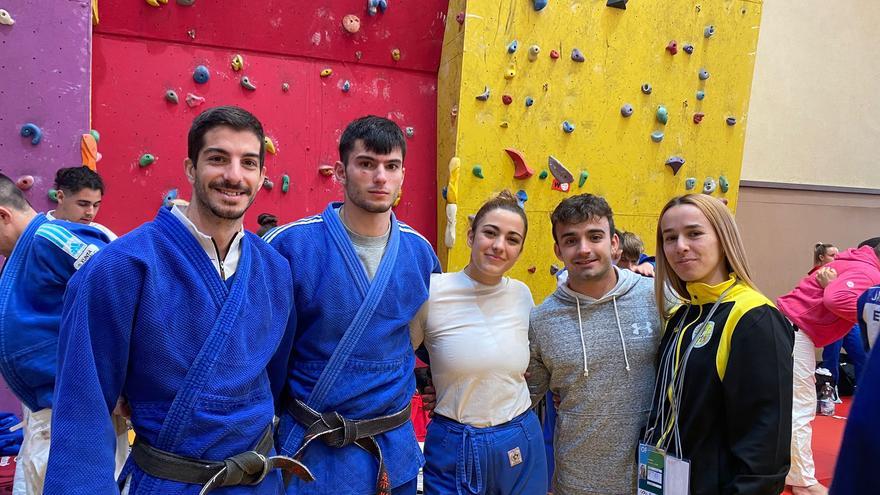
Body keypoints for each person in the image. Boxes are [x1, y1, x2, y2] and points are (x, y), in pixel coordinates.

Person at [44, 106, 303, 494]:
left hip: (258, 480)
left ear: (262, 176)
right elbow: (84, 407)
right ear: (189, 168)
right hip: (170, 481)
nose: (234, 175)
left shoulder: (276, 271)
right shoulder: (120, 267)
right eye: (218, 158)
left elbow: (274, 378)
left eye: (248, 163)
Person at [264, 115, 440, 495]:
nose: (380, 177)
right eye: (366, 164)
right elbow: (263, 353)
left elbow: (434, 342)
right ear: (341, 172)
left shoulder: (420, 253)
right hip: (312, 451)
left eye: (391, 166)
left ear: (402, 175)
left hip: (390, 453)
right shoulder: (289, 245)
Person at [644, 194, 793, 494]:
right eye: (669, 238)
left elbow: (765, 446)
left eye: (694, 233)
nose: (680, 246)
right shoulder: (683, 315)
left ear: (723, 238)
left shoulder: (753, 318)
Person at [410, 191, 547, 494]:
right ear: (471, 236)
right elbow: (399, 356)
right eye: (490, 233)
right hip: (454, 442)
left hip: (520, 437)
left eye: (512, 239)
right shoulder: (432, 292)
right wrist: (430, 384)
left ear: (520, 250)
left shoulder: (522, 295)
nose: (499, 246)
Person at [527, 193, 661, 495]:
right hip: (576, 482)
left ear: (614, 244)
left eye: (594, 236)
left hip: (651, 481)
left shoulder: (656, 298)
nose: (584, 249)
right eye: (571, 240)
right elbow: (521, 397)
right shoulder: (542, 320)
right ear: (558, 249)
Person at [0, 173, 119, 495]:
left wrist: (125, 384)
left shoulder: (50, 239)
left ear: (3, 215)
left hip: (75, 410)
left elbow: (123, 290)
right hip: (48, 409)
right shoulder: (25, 251)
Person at [777, 237, 880, 495]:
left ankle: (788, 469)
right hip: (794, 329)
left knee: (788, 403)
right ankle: (803, 482)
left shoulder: (855, 264)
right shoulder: (868, 270)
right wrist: (836, 287)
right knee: (800, 406)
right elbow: (835, 298)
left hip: (790, 326)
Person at [814, 243, 868, 401]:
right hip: (832, 322)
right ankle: (829, 391)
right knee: (832, 357)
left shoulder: (842, 272)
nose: (836, 258)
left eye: (838, 254)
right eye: (832, 255)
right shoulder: (817, 274)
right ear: (822, 257)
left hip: (849, 323)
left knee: (862, 354)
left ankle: (863, 393)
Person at [46, 165, 117, 240]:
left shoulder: (103, 234)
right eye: (83, 204)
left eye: (96, 205)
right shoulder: (38, 231)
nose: (90, 212)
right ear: (60, 197)